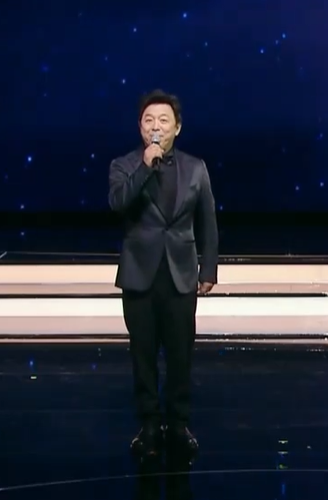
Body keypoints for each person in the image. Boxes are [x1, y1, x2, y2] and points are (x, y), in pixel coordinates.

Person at [108, 89, 219, 458]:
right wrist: (145, 166)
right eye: (149, 120)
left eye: (163, 120)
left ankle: (179, 423)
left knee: (180, 354)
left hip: (180, 273)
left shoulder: (196, 167)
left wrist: (209, 267)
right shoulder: (123, 165)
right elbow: (118, 204)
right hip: (139, 274)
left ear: (177, 127)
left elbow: (207, 221)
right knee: (142, 355)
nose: (156, 127)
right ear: (140, 127)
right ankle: (149, 425)